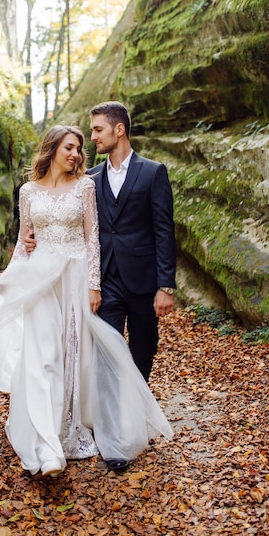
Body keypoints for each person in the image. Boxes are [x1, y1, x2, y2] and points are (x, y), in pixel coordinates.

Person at [0, 125, 172, 478]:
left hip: (75, 278)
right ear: (52, 148)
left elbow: (93, 240)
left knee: (74, 355)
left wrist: (94, 286)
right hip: (39, 279)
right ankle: (47, 446)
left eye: (80, 148)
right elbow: (24, 242)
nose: (76, 154)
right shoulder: (27, 192)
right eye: (70, 147)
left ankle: (74, 426)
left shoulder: (85, 187)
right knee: (42, 357)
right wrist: (10, 276)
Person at [87, 101, 176, 382]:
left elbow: (163, 230)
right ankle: (110, 420)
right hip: (106, 280)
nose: (93, 137)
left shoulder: (153, 172)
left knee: (143, 351)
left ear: (120, 129)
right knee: (106, 351)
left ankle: (136, 415)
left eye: (98, 130)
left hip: (144, 283)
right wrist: (32, 236)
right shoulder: (91, 178)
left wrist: (166, 286)